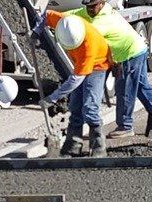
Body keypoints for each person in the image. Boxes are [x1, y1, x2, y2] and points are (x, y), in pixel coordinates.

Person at [74, 0, 152, 140]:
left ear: (102, 3)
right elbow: (75, 14)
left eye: (93, 6)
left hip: (129, 54)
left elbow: (89, 37)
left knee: (125, 89)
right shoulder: (94, 11)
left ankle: (125, 126)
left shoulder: (102, 20)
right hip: (136, 49)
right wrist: (53, 17)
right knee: (140, 86)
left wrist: (115, 63)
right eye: (88, 6)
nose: (90, 9)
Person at [44, 10, 112, 156]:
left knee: (89, 108)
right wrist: (37, 30)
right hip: (79, 66)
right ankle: (73, 145)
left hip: (98, 66)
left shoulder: (88, 46)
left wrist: (52, 98)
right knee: (75, 106)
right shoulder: (64, 22)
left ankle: (99, 147)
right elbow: (45, 15)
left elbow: (76, 80)